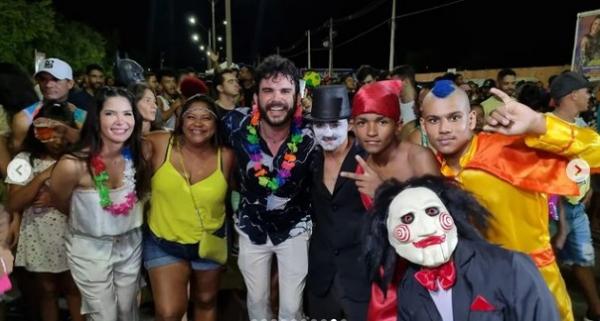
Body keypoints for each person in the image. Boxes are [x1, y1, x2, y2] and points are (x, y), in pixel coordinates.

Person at [420, 79, 600, 321]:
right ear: (423, 125)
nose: (444, 129)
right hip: (478, 293)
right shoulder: (432, 171)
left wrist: (538, 124)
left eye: (454, 117)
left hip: (536, 287)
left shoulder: (509, 151)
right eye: (434, 120)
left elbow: (594, 152)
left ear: (471, 119)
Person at [366, 175, 560, 321]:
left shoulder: (510, 267)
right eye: (407, 219)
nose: (425, 229)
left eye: (432, 211)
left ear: (451, 214)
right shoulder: (409, 288)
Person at [222, 55, 315, 321]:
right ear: (256, 97)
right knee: (257, 304)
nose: (276, 98)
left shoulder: (311, 136)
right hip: (252, 228)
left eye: (285, 91)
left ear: (297, 98)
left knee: (291, 309)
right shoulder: (236, 130)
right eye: (268, 90)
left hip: (295, 228)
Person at [339, 80, 439, 321]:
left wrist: (384, 193)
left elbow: (442, 221)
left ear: (398, 124)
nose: (371, 132)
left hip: (427, 273)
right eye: (362, 122)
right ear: (353, 126)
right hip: (386, 277)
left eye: (382, 121)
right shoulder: (361, 166)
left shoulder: (418, 157)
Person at [49, 87, 152, 321]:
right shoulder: (73, 165)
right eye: (110, 114)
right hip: (90, 249)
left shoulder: (141, 153)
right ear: (96, 118)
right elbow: (60, 202)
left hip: (130, 244)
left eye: (127, 114)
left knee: (128, 312)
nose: (120, 121)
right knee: (103, 316)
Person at [144, 94, 234, 321]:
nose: (198, 123)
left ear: (216, 124)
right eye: (190, 117)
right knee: (168, 312)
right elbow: (115, 143)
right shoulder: (159, 143)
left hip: (209, 242)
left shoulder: (228, 156)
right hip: (163, 242)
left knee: (205, 301)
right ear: (180, 121)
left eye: (206, 118)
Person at [5, 102, 83, 321]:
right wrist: (41, 177)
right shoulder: (23, 161)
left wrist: (54, 196)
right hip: (38, 236)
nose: (56, 139)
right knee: (46, 293)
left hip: (73, 234)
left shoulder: (78, 160)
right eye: (49, 132)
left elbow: (89, 201)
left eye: (62, 131)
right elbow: (13, 203)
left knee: (74, 292)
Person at [306, 85, 370, 321]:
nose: (328, 133)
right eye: (320, 125)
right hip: (322, 276)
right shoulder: (310, 162)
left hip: (360, 275)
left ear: (350, 124)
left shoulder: (369, 159)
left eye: (335, 124)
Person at [548, 72, 600, 321]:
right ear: (573, 95)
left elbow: (582, 163)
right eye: (587, 92)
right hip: (551, 210)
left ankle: (594, 310)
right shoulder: (545, 127)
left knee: (583, 259)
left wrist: (587, 186)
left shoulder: (580, 127)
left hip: (576, 207)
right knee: (546, 265)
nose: (591, 96)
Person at [11, 58, 87, 152]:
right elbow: (18, 161)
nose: (48, 85)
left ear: (70, 83)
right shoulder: (23, 119)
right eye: (43, 79)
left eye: (55, 79)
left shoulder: (84, 118)